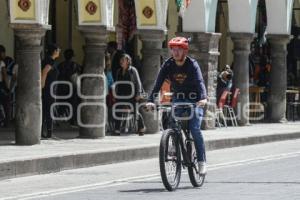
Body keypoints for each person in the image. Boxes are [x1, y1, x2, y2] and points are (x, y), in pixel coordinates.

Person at [146, 37, 208, 175]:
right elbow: (158, 84)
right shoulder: (168, 65)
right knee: (170, 120)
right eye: (173, 49)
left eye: (179, 49)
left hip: (195, 100)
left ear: (185, 51)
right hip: (178, 99)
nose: (175, 52)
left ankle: (201, 161)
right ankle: (173, 143)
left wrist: (203, 98)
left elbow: (200, 82)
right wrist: (151, 100)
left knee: (194, 129)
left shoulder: (192, 64)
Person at [114, 54, 146, 136]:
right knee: (118, 110)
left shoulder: (133, 70)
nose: (121, 62)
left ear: (128, 61)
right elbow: (117, 83)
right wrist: (115, 94)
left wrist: (138, 94)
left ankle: (141, 127)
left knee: (135, 112)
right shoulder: (118, 71)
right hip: (121, 94)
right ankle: (117, 129)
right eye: (120, 60)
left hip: (132, 94)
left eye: (123, 60)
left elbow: (138, 83)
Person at [57, 49, 81, 126]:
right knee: (73, 105)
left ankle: (61, 120)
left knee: (62, 104)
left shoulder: (60, 65)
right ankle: (72, 120)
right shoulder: (75, 65)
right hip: (72, 87)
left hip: (62, 87)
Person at [41, 44, 60, 138]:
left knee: (46, 110)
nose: (59, 51)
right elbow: (44, 71)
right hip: (48, 89)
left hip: (49, 88)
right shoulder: (50, 61)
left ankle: (44, 132)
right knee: (49, 110)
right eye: (58, 50)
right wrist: (42, 85)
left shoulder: (48, 60)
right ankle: (49, 133)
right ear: (55, 51)